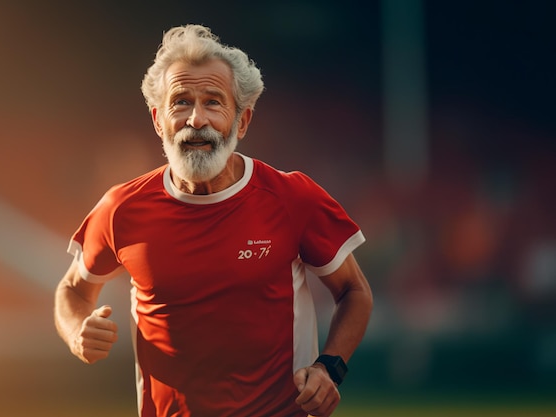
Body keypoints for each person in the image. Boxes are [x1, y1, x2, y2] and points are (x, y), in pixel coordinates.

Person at [54, 24, 373, 417]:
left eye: (213, 102)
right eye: (181, 102)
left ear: (242, 121)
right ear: (158, 120)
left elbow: (355, 292)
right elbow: (71, 290)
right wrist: (76, 333)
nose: (196, 119)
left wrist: (330, 368)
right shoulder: (122, 207)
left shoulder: (293, 197)